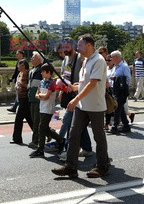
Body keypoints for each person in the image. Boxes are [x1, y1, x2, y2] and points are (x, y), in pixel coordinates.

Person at [52, 34, 109, 178]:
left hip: (95, 106)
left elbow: (92, 83)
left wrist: (76, 98)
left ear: (89, 45)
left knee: (99, 137)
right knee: (73, 134)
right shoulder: (85, 61)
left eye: (80, 45)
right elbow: (84, 83)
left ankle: (102, 166)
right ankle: (70, 167)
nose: (78, 47)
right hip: (82, 105)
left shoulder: (99, 60)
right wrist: (74, 87)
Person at [55, 38, 93, 160]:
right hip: (68, 95)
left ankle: (68, 150)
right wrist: (61, 89)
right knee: (77, 124)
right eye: (63, 47)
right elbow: (63, 74)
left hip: (78, 95)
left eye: (67, 47)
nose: (64, 50)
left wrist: (77, 89)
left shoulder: (81, 58)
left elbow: (86, 77)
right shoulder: (65, 59)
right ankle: (87, 148)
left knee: (69, 123)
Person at [30, 63, 65, 157]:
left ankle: (40, 149)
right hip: (42, 108)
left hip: (48, 109)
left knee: (41, 128)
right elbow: (36, 95)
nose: (41, 73)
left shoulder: (53, 83)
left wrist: (40, 96)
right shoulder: (41, 82)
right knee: (44, 129)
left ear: (48, 72)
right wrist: (41, 96)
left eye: (43, 71)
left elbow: (45, 96)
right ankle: (61, 140)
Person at [11, 59, 33, 144]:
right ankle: (44, 134)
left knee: (18, 119)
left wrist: (23, 85)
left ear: (23, 65)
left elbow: (30, 85)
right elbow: (17, 83)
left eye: (19, 65)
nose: (17, 67)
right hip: (20, 98)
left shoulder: (28, 73)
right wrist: (17, 87)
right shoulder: (20, 74)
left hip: (25, 99)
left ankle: (17, 138)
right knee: (30, 119)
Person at [109, 50, 131, 134]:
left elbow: (128, 78)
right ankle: (126, 125)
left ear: (117, 57)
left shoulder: (124, 66)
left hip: (121, 91)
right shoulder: (115, 67)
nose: (111, 59)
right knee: (120, 108)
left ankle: (114, 126)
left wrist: (116, 79)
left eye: (112, 57)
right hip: (115, 90)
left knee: (117, 108)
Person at [27, 52, 43, 148]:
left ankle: (35, 141)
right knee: (34, 120)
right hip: (31, 97)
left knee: (37, 121)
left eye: (33, 57)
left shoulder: (41, 69)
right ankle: (49, 133)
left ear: (39, 59)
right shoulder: (32, 70)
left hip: (38, 99)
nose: (31, 59)